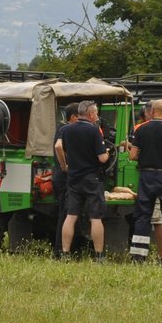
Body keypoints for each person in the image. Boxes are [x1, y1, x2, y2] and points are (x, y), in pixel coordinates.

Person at [127, 98, 162, 263]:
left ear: (151, 112)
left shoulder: (140, 129)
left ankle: (138, 256)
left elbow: (132, 155)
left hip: (146, 175)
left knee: (143, 214)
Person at [56, 100, 110, 258]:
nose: (97, 116)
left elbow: (58, 147)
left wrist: (64, 165)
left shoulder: (66, 130)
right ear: (91, 114)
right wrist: (106, 152)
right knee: (96, 217)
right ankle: (99, 255)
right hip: (92, 179)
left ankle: (65, 252)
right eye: (96, 113)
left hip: (73, 178)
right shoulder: (94, 131)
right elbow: (102, 158)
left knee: (71, 216)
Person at [50, 102, 80, 258]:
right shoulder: (64, 130)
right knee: (65, 213)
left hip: (60, 176)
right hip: (63, 177)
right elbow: (58, 147)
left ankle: (63, 249)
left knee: (66, 213)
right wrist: (65, 166)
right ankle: (60, 251)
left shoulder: (62, 129)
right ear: (73, 117)